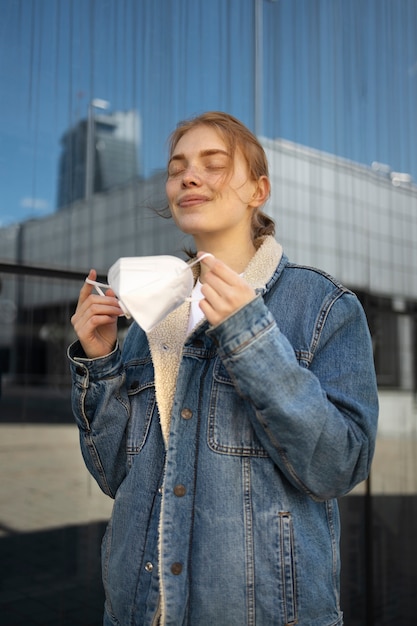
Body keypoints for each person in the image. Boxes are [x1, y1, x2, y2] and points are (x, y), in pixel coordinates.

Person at [68, 111, 378, 626]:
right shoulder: (153, 318)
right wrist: (100, 363)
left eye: (213, 164)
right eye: (177, 168)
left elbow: (339, 466)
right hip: (141, 610)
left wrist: (249, 335)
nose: (189, 177)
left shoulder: (322, 306)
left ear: (259, 191)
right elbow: (115, 474)